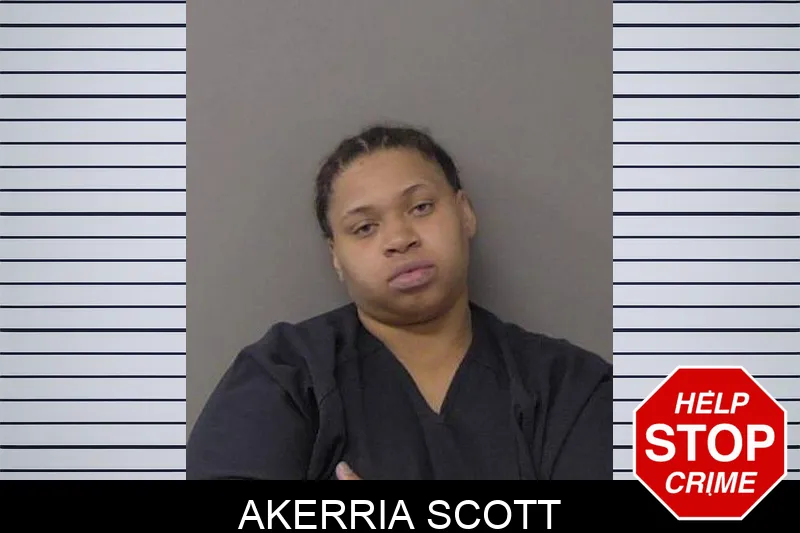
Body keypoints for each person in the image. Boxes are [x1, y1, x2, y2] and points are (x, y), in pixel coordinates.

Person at [186, 124, 612, 480]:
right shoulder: (285, 378)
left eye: (421, 207)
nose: (399, 239)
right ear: (336, 255)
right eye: (365, 228)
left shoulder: (570, 387)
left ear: (464, 213)